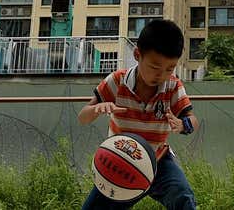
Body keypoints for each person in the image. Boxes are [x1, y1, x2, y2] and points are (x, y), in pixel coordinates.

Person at [79, 18, 199, 209]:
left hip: (158, 161)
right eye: (154, 67)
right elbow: (82, 116)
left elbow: (192, 119)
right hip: (121, 161)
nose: (161, 75)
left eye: (170, 68)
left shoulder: (173, 86)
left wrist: (183, 124)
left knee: (182, 196)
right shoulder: (116, 81)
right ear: (137, 55)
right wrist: (95, 109)